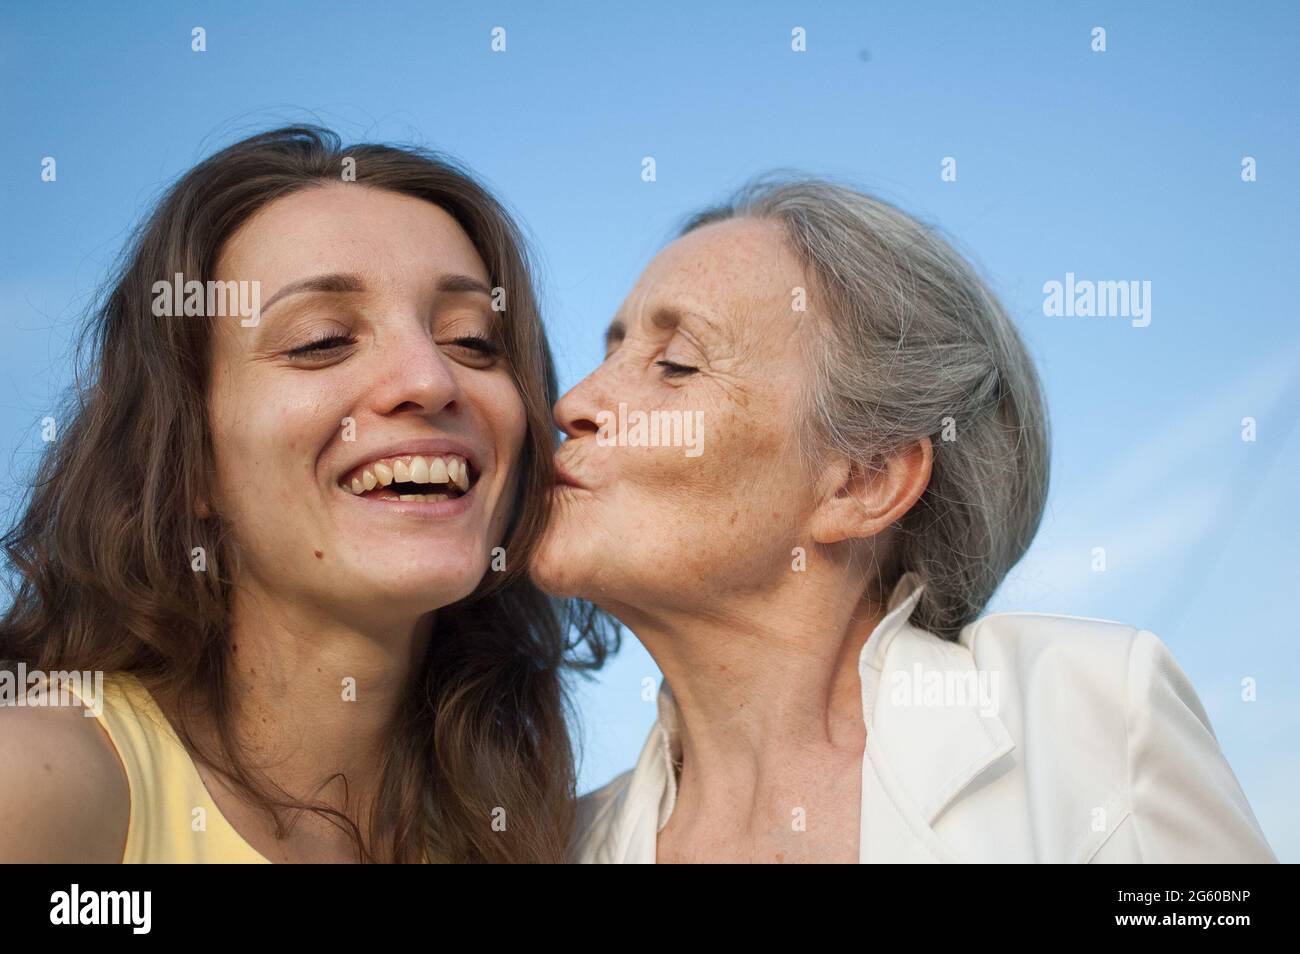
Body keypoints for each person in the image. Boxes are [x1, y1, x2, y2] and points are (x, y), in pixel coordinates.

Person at [532, 177, 1277, 863]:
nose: (575, 405)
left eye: (678, 364)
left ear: (863, 481)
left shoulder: (1089, 722)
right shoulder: (563, 843)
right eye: (614, 351)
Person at [0, 126, 612, 863]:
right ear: (188, 458)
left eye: (473, 340)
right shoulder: (41, 783)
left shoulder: (539, 831)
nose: (430, 379)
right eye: (322, 340)